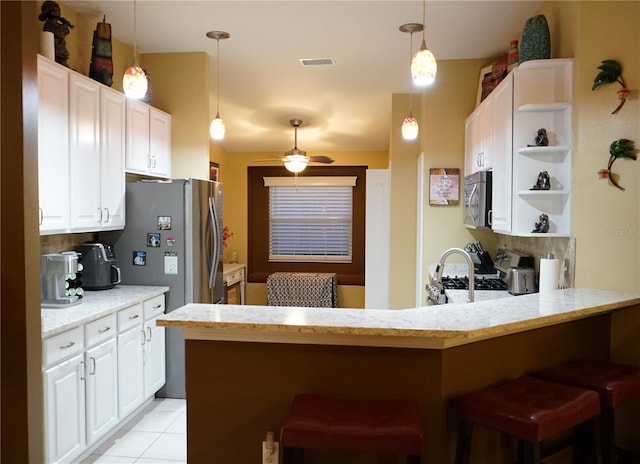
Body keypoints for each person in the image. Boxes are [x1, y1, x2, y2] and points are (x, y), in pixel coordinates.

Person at [39, 1, 74, 67]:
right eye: (57, 10)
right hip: (56, 53)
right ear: (52, 12)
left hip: (61, 53)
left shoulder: (56, 24)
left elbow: (65, 31)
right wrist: (65, 24)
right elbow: (59, 32)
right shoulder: (48, 24)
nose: (59, 12)